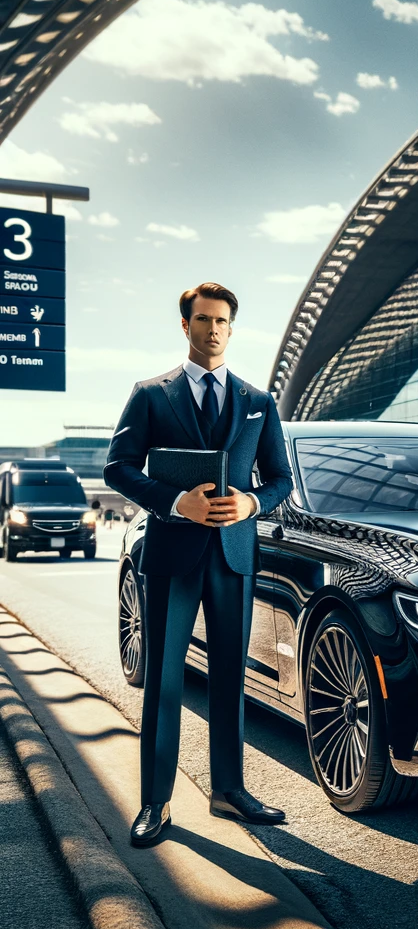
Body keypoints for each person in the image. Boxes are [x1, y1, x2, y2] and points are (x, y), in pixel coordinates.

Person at [104, 282, 293, 848]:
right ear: (184, 326)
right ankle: (155, 803)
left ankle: (229, 791)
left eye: (223, 322)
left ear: (232, 329)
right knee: (163, 680)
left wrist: (253, 501)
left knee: (231, 678)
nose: (213, 330)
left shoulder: (258, 402)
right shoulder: (150, 395)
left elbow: (281, 479)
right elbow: (117, 468)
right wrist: (171, 501)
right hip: (171, 554)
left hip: (234, 555)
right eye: (204, 320)